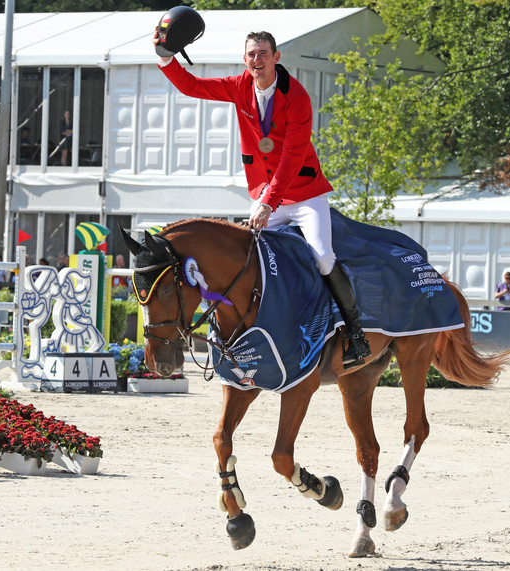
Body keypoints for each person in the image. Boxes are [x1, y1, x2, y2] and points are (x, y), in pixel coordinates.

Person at [154, 26, 370, 368]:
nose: (257, 60)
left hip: (303, 195)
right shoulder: (238, 86)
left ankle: (355, 334)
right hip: (265, 194)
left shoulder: (297, 97)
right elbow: (192, 86)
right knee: (244, 260)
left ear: (276, 58)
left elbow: (292, 156)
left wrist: (269, 203)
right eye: (252, 55)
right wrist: (165, 58)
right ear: (245, 60)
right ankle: (251, 330)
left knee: (323, 256)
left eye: (263, 54)